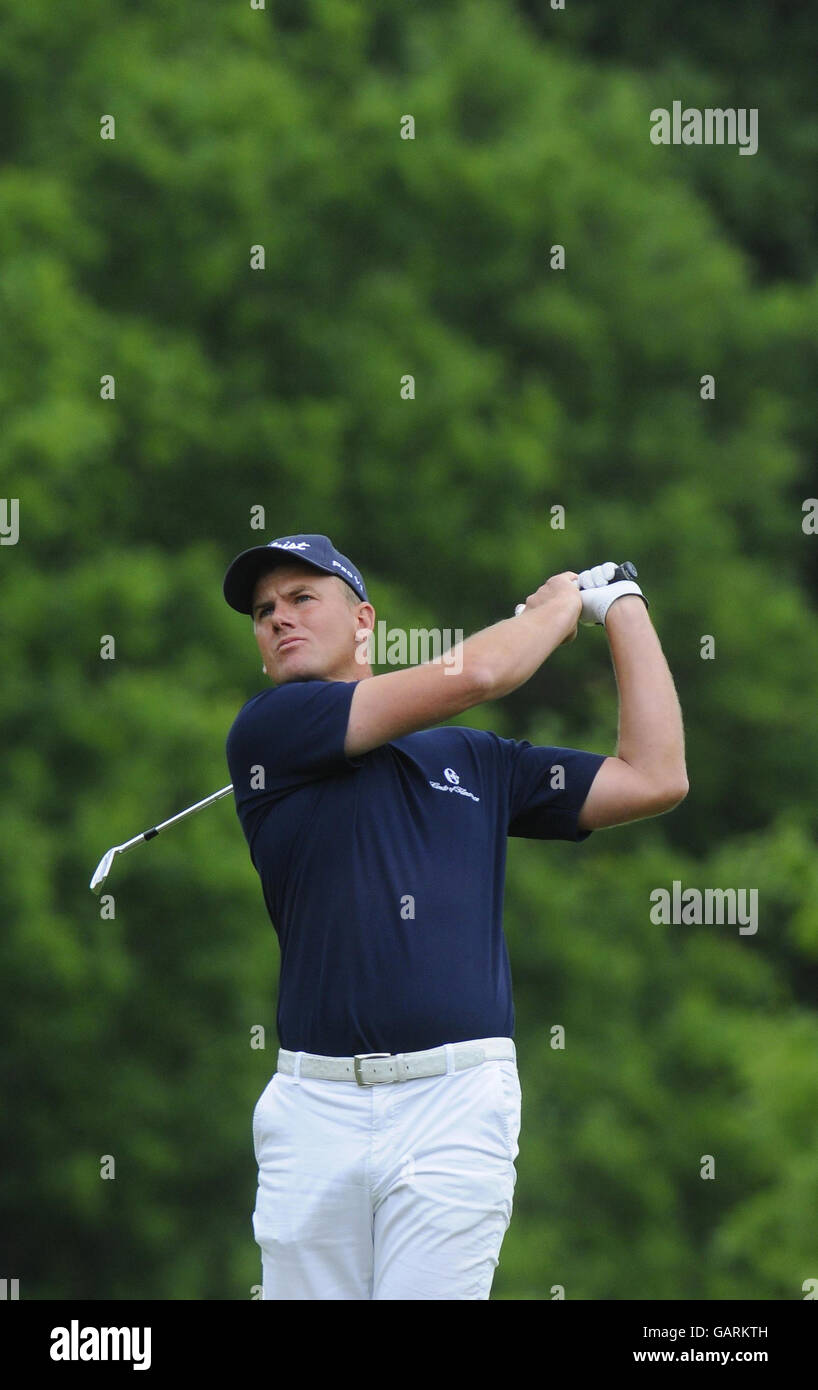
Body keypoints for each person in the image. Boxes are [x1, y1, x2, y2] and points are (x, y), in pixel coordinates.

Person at [222, 533, 688, 1301]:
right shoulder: (270, 730)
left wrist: (621, 604)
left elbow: (655, 775)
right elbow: (480, 672)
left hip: (454, 1105)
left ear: (364, 621)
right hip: (314, 1110)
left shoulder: (473, 760)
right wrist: (557, 609)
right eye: (263, 611)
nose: (278, 618)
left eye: (302, 598)